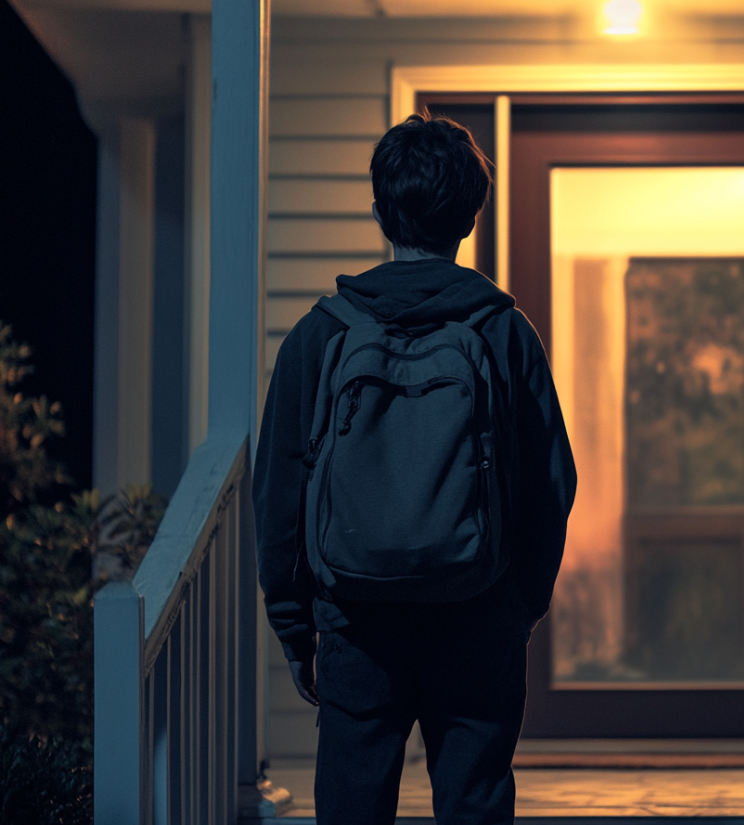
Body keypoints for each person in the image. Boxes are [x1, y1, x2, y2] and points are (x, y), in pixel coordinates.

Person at [254, 111, 577, 825]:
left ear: (379, 214)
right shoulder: (503, 332)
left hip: (356, 619)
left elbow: (278, 489)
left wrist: (294, 623)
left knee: (352, 809)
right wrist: (519, 602)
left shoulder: (321, 334)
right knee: (474, 804)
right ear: (470, 219)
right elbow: (553, 481)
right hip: (478, 611)